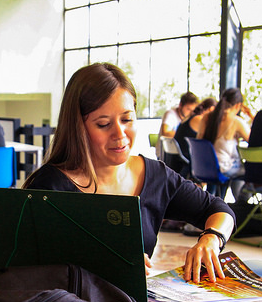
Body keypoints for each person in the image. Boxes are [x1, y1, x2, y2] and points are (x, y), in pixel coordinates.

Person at [23, 63, 235, 283]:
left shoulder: (154, 175)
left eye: (127, 119)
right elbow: (31, 271)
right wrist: (100, 264)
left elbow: (219, 209)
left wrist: (212, 238)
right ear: (78, 128)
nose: (120, 133)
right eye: (104, 124)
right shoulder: (50, 188)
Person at [197, 88, 251, 200]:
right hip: (223, 168)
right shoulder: (236, 121)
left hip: (203, 167)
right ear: (238, 105)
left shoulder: (206, 117)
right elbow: (253, 140)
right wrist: (251, 116)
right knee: (249, 171)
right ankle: (241, 205)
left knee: (233, 168)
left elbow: (199, 140)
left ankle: (217, 201)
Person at [172, 97, 218, 177]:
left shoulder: (190, 117)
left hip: (178, 158)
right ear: (211, 109)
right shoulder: (199, 119)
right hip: (186, 159)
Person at [156, 91, 199, 160]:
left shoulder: (189, 119)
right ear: (180, 105)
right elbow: (165, 133)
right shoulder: (170, 114)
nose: (190, 113)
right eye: (188, 109)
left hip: (178, 156)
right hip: (166, 156)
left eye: (192, 110)